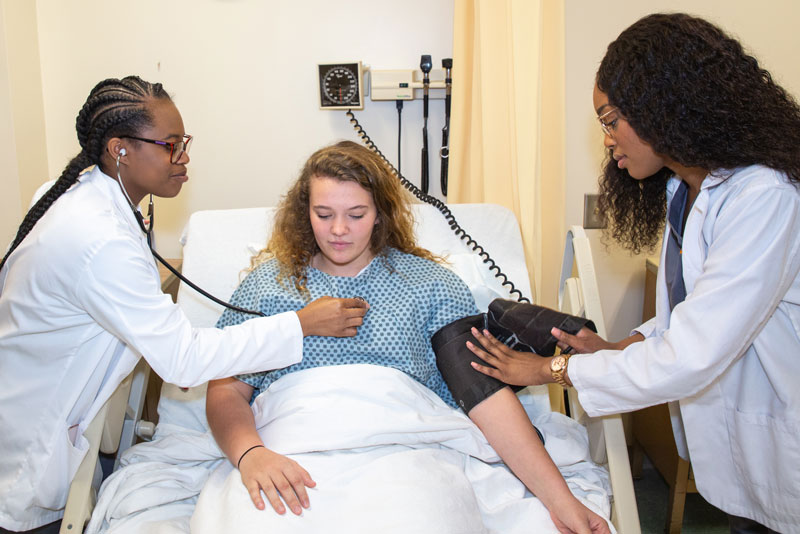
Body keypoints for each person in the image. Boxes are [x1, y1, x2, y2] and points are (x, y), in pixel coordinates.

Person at [464, 13, 800, 534]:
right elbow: (684, 316)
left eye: (611, 119)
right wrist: (618, 349)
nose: (607, 139)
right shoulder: (686, 192)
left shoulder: (764, 196)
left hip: (784, 432)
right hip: (745, 446)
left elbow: (694, 350)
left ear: (665, 104)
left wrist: (545, 372)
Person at [0, 76, 367, 534]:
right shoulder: (97, 237)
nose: (185, 157)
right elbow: (184, 360)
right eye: (171, 145)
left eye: (184, 141)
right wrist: (299, 324)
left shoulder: (83, 195)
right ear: (120, 150)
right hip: (28, 439)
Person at [205, 140, 610, 534]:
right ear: (304, 212)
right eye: (324, 214)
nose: (339, 230)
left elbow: (483, 395)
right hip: (288, 449)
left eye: (357, 214)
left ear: (381, 212)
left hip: (405, 453)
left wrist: (561, 501)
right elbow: (226, 390)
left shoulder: (430, 284)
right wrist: (250, 455)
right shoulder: (266, 286)